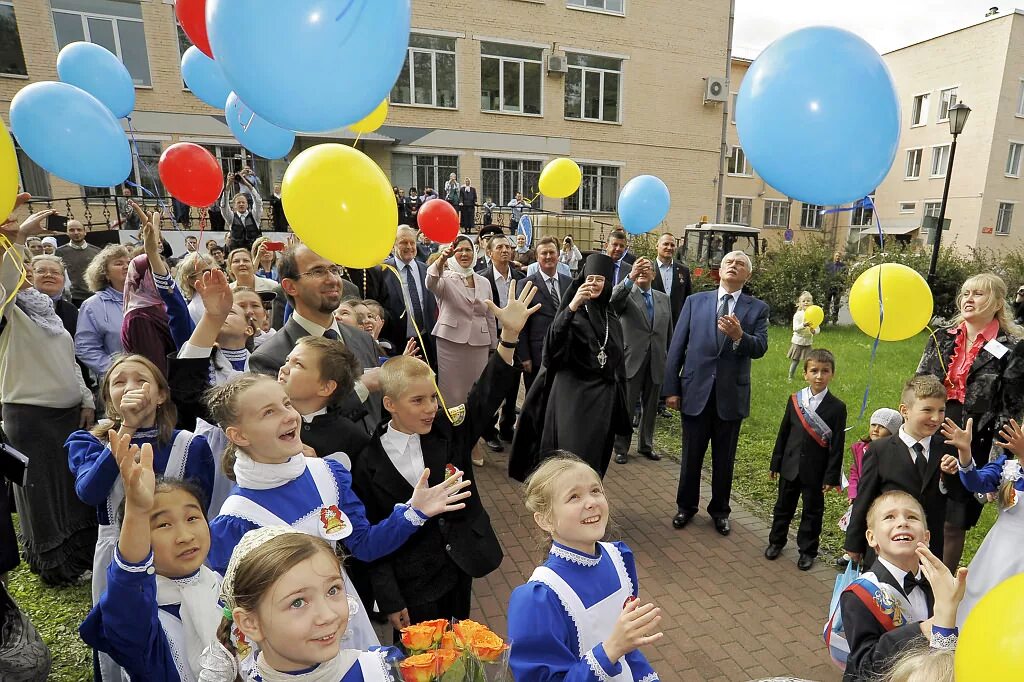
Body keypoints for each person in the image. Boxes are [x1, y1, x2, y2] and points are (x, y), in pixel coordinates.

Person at [203, 372, 472, 648]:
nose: (289, 416)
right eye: (269, 412)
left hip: (345, 614)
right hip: (291, 645)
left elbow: (365, 545)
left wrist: (414, 513)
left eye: (286, 404)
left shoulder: (327, 474)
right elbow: (240, 614)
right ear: (239, 435)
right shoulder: (236, 521)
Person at [352, 283, 535, 638]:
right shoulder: (368, 461)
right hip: (411, 586)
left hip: (457, 568)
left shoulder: (447, 431)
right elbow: (371, 537)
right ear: (390, 404)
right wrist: (389, 600)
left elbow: (483, 398)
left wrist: (509, 338)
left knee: (458, 648)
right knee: (420, 663)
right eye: (416, 401)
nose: (430, 408)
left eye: (432, 396)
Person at [65, 353, 214, 681]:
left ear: (161, 395)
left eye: (141, 380)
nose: (130, 387)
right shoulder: (87, 443)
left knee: (182, 633)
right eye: (119, 382)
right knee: (124, 636)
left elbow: (198, 511)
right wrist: (126, 429)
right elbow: (89, 492)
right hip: (117, 558)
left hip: (177, 554)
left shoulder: (190, 446)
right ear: (109, 400)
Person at [0, 199, 97, 586]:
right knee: (42, 495)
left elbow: (71, 361)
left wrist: (86, 399)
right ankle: (54, 565)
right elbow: (4, 279)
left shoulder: (51, 314)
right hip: (30, 414)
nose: (46, 274)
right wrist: (18, 238)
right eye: (38, 268)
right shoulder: (9, 311)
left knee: (71, 490)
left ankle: (77, 556)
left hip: (67, 412)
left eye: (55, 270)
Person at [79, 434, 222, 682]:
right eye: (164, 524)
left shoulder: (220, 586)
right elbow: (128, 586)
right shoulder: (142, 619)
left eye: (192, 518)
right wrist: (137, 510)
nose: (185, 536)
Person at [507, 454, 662, 681]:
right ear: (545, 520)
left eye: (596, 490)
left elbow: (628, 650)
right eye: (574, 497)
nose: (591, 502)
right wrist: (609, 651)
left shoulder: (619, 558)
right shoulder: (538, 599)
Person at [916, 272, 1024, 570]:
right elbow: (918, 387)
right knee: (922, 509)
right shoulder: (941, 338)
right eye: (965, 293)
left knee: (954, 521)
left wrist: (996, 462)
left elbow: (1011, 409)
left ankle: (943, 583)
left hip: (975, 442)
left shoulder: (1013, 347)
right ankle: (913, 574)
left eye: (978, 294)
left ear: (998, 302)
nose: (969, 299)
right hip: (932, 432)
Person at [663, 251, 770, 536]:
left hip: (730, 397)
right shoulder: (695, 301)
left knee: (724, 460)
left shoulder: (757, 308)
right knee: (691, 457)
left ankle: (720, 511)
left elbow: (760, 348)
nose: (734, 266)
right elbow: (677, 347)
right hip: (695, 392)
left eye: (741, 264)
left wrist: (739, 336)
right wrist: (671, 389)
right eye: (729, 263)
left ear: (748, 275)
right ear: (719, 270)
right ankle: (686, 507)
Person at [203, 527, 395, 680]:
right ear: (250, 623)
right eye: (298, 602)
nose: (328, 615)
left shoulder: (386, 671)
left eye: (333, 590)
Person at [510, 254, 631, 480]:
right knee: (571, 456)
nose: (594, 284)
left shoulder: (609, 316)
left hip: (602, 400)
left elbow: (616, 361)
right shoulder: (572, 313)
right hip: (573, 397)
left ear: (607, 284)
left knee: (595, 457)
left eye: (600, 280)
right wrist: (573, 306)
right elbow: (550, 349)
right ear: (582, 280)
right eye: (590, 278)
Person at [248, 244, 381, 433]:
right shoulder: (269, 357)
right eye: (318, 272)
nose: (333, 279)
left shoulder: (362, 339)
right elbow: (289, 428)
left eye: (334, 269)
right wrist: (360, 388)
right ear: (290, 286)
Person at [839, 491, 966, 682]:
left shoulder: (937, 584)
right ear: (872, 538)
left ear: (926, 537)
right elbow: (865, 666)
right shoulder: (859, 593)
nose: (902, 522)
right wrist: (923, 630)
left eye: (912, 517)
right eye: (890, 517)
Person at [844, 376, 966, 564]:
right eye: (927, 410)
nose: (936, 418)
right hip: (887, 548)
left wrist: (950, 476)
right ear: (905, 411)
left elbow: (959, 497)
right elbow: (865, 498)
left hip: (927, 549)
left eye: (941, 411)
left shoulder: (947, 447)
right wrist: (854, 544)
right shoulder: (880, 450)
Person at [765, 349, 847, 571]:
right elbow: (784, 433)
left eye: (825, 371)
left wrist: (831, 476)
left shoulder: (837, 407)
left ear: (832, 374)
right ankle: (776, 541)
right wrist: (776, 462)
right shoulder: (795, 400)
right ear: (805, 374)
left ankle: (808, 551)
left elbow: (837, 444)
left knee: (812, 512)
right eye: (814, 371)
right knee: (783, 506)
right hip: (790, 466)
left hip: (816, 471)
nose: (819, 376)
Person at [940, 417, 1024, 628]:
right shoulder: (1007, 467)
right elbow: (975, 482)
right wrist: (965, 453)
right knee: (982, 597)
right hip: (999, 549)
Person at [425, 236, 497, 464]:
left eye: (468, 250)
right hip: (450, 344)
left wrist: (495, 345)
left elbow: (489, 314)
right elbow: (430, 282)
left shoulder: (484, 282)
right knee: (452, 396)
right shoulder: (444, 278)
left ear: (474, 253)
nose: (464, 254)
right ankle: (451, 442)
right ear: (452, 254)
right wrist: (441, 260)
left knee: (475, 396)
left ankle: (473, 443)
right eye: (459, 251)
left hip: (479, 343)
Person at [610, 257, 671, 465]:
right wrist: (630, 277)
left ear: (654, 275)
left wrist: (667, 357)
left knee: (651, 407)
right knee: (627, 406)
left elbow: (667, 332)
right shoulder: (627, 296)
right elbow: (613, 300)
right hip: (632, 359)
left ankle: (646, 445)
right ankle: (621, 448)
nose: (644, 271)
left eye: (648, 269)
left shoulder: (664, 298)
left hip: (656, 360)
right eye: (640, 269)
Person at [277, 336, 373, 459]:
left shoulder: (353, 440)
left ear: (326, 387)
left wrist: (319, 469)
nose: (283, 369)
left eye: (298, 364)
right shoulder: (261, 418)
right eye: (287, 360)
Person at [838, 408, 904, 569]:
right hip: (861, 495)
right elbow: (855, 472)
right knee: (857, 521)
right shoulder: (861, 448)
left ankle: (868, 553)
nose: (875, 429)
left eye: (881, 427)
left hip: (876, 499)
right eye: (873, 424)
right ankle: (853, 551)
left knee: (872, 525)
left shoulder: (891, 452)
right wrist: (853, 492)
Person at [478, 235, 525, 450]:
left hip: (515, 338)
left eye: (508, 246)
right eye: (499, 247)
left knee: (513, 385)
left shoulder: (520, 277)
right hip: (492, 338)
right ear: (489, 252)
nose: (505, 250)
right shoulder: (482, 279)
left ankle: (508, 427)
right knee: (492, 387)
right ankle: (489, 431)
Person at [519, 237, 573, 394]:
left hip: (565, 355)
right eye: (544, 253)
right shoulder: (526, 284)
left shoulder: (569, 283)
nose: (548, 256)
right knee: (537, 405)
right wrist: (525, 356)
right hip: (537, 357)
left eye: (552, 252)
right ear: (537, 257)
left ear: (558, 255)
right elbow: (521, 324)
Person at [383, 227, 438, 369]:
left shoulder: (427, 270)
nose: (409, 247)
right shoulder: (383, 272)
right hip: (397, 343)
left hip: (427, 341)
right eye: (403, 242)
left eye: (412, 243)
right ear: (393, 245)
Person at [76, 244, 131, 380]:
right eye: (119, 263)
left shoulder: (147, 299)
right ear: (105, 273)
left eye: (129, 263)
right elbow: (86, 347)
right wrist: (115, 371)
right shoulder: (93, 305)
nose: (126, 266)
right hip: (118, 381)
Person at [226, 247, 285, 330]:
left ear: (252, 264)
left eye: (246, 260)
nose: (242, 264)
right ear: (230, 269)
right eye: (236, 261)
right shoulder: (227, 291)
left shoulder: (271, 285)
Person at [55, 220, 101, 307]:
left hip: (95, 295)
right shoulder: (60, 252)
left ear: (85, 232)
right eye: (72, 230)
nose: (76, 233)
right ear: (67, 233)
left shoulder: (97, 251)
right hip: (74, 298)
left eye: (79, 230)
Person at [220, 172, 263, 253]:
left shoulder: (254, 216)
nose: (241, 204)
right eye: (238, 202)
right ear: (234, 206)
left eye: (243, 202)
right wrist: (228, 186)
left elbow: (258, 202)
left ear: (247, 204)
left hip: (253, 253)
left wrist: (247, 184)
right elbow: (223, 206)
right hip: (236, 252)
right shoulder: (231, 218)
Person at [788, 291, 820, 381]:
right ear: (800, 303)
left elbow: (817, 328)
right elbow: (795, 328)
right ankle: (790, 376)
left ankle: (807, 377)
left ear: (812, 303)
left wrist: (814, 331)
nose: (806, 302)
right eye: (804, 301)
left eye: (808, 301)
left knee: (809, 362)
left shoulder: (814, 313)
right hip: (798, 342)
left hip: (808, 342)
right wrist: (803, 325)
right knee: (795, 360)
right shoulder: (798, 315)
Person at [826, 251, 846, 325]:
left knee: (836, 305)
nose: (837, 257)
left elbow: (844, 278)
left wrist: (843, 287)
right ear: (834, 256)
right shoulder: (829, 265)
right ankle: (826, 319)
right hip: (829, 287)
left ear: (840, 258)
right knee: (827, 304)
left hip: (838, 288)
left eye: (839, 256)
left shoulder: (843, 266)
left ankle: (834, 320)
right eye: (836, 256)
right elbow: (825, 276)